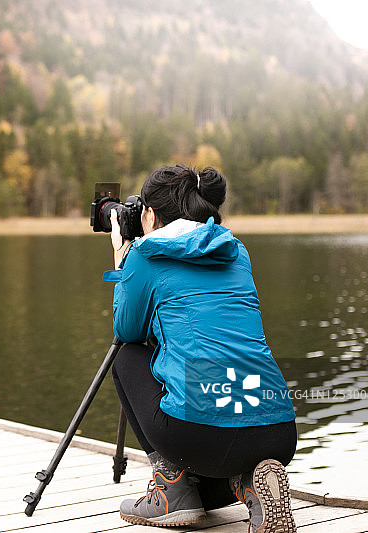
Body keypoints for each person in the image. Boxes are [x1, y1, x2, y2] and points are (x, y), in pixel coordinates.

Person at [102, 164, 297, 532]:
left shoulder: (146, 254)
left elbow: (126, 329)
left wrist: (123, 262)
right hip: (277, 431)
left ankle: (171, 490)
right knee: (219, 441)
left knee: (127, 357)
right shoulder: (235, 250)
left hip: (198, 436)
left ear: (148, 214)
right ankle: (251, 482)